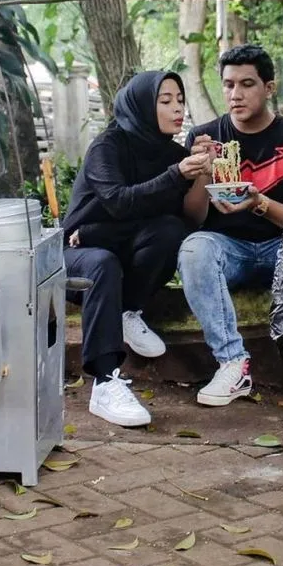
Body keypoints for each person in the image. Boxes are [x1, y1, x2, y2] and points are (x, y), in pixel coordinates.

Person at [178, 44, 283, 406]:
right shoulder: (205, 138)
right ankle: (233, 363)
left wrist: (260, 204)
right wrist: (201, 172)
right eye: (228, 85)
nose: (235, 94)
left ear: (269, 88)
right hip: (227, 250)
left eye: (247, 84)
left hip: (282, 250)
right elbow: (192, 219)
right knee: (194, 249)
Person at [62, 70, 212, 427]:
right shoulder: (108, 147)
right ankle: (104, 383)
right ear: (142, 105)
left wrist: (203, 172)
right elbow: (118, 202)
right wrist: (176, 174)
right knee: (103, 263)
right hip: (75, 259)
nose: (177, 109)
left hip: (109, 245)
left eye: (180, 100)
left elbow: (190, 219)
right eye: (166, 101)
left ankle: (128, 310)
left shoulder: (173, 155)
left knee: (171, 230)